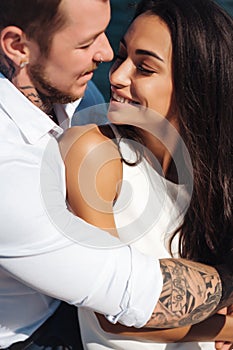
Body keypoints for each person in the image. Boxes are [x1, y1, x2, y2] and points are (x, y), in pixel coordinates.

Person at [0, 0, 233, 349]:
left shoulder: (74, 92)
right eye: (86, 42)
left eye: (143, 67)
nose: (110, 64)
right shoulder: (62, 159)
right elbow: (118, 306)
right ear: (18, 47)